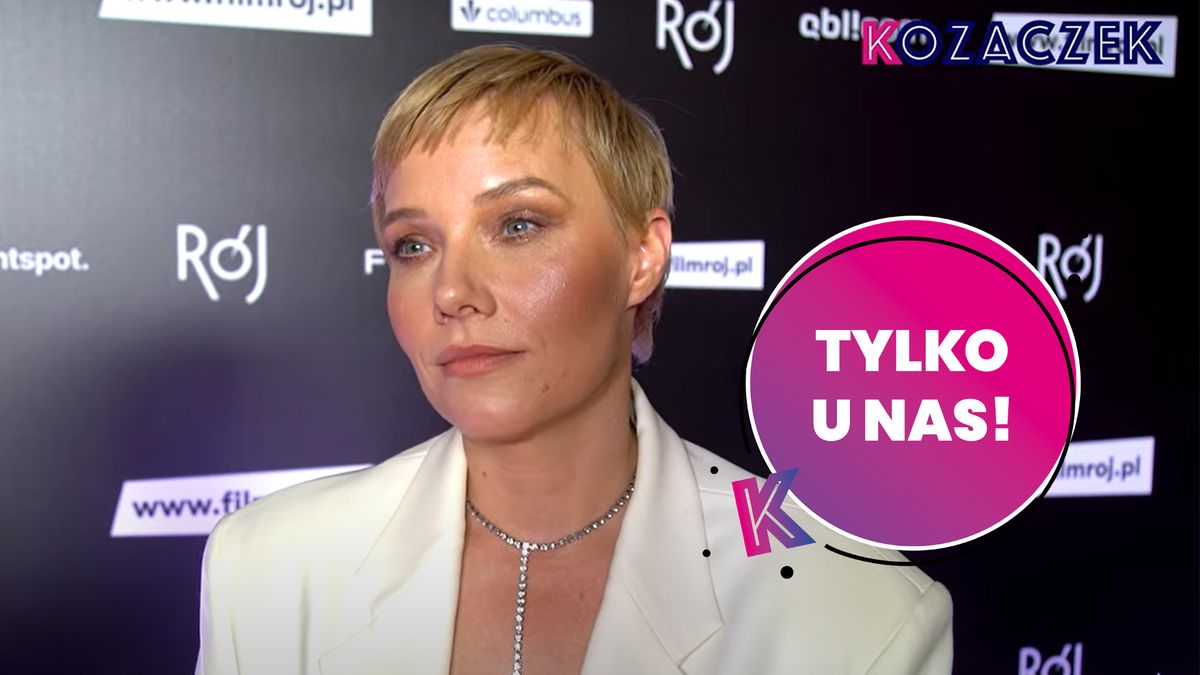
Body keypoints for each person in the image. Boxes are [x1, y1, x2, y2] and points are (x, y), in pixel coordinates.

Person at [195, 43, 953, 675]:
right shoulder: (267, 568)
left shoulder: (859, 608)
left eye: (518, 225)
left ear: (641, 256)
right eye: (413, 245)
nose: (451, 291)